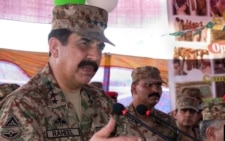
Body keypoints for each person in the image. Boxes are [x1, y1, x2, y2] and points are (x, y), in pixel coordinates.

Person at [0, 3, 141, 141]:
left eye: (100, 47)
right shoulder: (24, 105)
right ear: (55, 48)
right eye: (84, 43)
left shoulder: (102, 102)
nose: (96, 56)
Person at [124, 66, 179, 141]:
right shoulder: (118, 119)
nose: (155, 90)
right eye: (148, 85)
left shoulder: (167, 121)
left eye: (158, 85)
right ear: (134, 89)